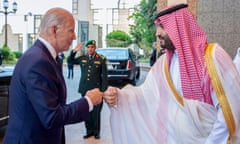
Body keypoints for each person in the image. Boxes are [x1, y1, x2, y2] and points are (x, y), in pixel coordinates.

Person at [103, 3, 240, 144]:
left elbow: (229, 111)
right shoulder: (164, 64)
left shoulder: (213, 57)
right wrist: (119, 96)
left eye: (162, 26)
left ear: (180, 26)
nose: (157, 33)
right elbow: (145, 96)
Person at [3, 8, 103, 144]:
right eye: (71, 30)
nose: (74, 37)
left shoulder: (46, 57)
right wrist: (88, 101)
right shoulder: (38, 61)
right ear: (54, 29)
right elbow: (52, 116)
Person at [69, 40, 108, 139]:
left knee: (96, 112)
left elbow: (104, 76)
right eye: (89, 47)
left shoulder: (101, 59)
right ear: (86, 48)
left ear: (95, 48)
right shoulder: (82, 58)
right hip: (85, 89)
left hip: (96, 89)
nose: (90, 49)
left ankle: (96, 132)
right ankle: (89, 131)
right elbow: (70, 61)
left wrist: (103, 90)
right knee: (86, 111)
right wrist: (74, 51)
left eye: (92, 47)